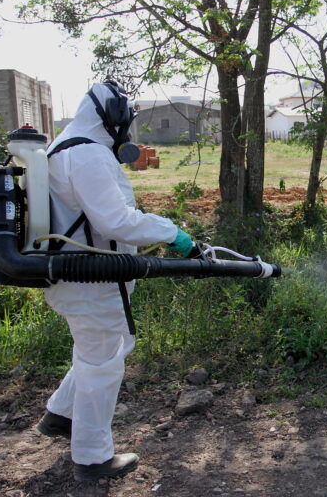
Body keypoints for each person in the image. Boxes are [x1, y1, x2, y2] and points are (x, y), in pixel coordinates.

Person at [35, 81, 193, 482]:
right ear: (115, 115)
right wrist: (170, 232)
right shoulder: (86, 154)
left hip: (80, 274)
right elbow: (115, 220)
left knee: (104, 348)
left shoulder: (68, 146)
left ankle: (60, 414)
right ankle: (92, 459)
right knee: (102, 361)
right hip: (91, 277)